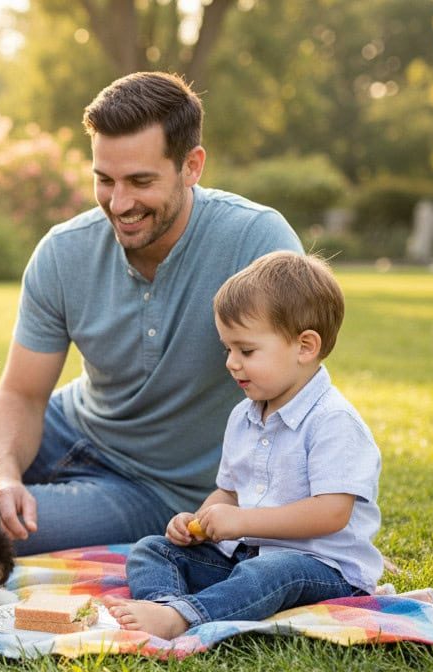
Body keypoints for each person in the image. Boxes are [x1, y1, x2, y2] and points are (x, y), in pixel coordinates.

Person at [0, 71, 304, 555]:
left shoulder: (257, 242)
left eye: (140, 181)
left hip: (154, 487)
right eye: (104, 180)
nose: (119, 203)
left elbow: (299, 399)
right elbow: (23, 394)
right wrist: (3, 475)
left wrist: (310, 530)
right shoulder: (63, 252)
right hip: (68, 428)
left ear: (191, 166)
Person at [104, 251, 382, 639]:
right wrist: (199, 523)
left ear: (305, 346)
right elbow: (230, 492)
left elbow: (332, 512)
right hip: (245, 555)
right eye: (228, 349)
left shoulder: (333, 421)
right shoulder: (244, 416)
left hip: (320, 568)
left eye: (246, 351)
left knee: (269, 572)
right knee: (152, 549)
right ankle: (164, 606)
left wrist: (242, 522)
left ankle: (186, 617)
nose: (232, 363)